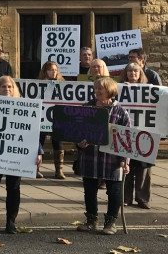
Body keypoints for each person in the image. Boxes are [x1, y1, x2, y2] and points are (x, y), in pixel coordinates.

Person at [0, 76, 42, 234]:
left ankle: (10, 222)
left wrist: (38, 151)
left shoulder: (24, 106)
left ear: (14, 89)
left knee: (14, 188)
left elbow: (31, 131)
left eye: (10, 87)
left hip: (16, 156)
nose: (6, 89)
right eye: (3, 87)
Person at [76, 77, 131, 235]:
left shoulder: (120, 112)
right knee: (89, 190)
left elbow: (126, 138)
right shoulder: (87, 108)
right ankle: (91, 220)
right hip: (90, 157)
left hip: (112, 159)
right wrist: (79, 142)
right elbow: (77, 130)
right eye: (96, 88)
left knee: (114, 191)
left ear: (110, 90)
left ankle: (111, 222)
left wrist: (125, 161)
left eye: (101, 88)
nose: (97, 91)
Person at [121, 63, 152, 209]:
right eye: (130, 71)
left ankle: (142, 198)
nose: (132, 73)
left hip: (144, 134)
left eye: (135, 71)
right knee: (126, 165)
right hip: (125, 133)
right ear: (126, 73)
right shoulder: (119, 88)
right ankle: (125, 198)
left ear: (140, 74)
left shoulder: (150, 90)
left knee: (143, 168)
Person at [37, 61, 66, 179]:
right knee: (39, 142)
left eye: (55, 70)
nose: (53, 72)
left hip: (56, 117)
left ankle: (59, 170)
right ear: (45, 71)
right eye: (50, 70)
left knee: (58, 142)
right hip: (43, 117)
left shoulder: (62, 84)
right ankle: (36, 168)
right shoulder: (38, 84)